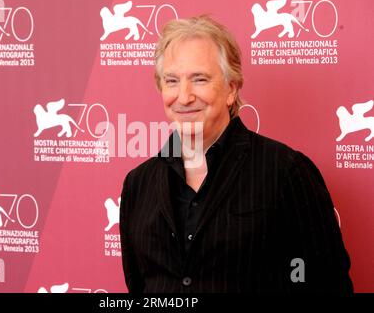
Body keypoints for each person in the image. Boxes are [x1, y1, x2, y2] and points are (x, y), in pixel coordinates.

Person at [119, 15, 353, 293]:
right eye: (171, 81)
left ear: (231, 88)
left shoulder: (286, 171)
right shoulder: (138, 184)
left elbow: (326, 283)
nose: (183, 96)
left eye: (200, 79)